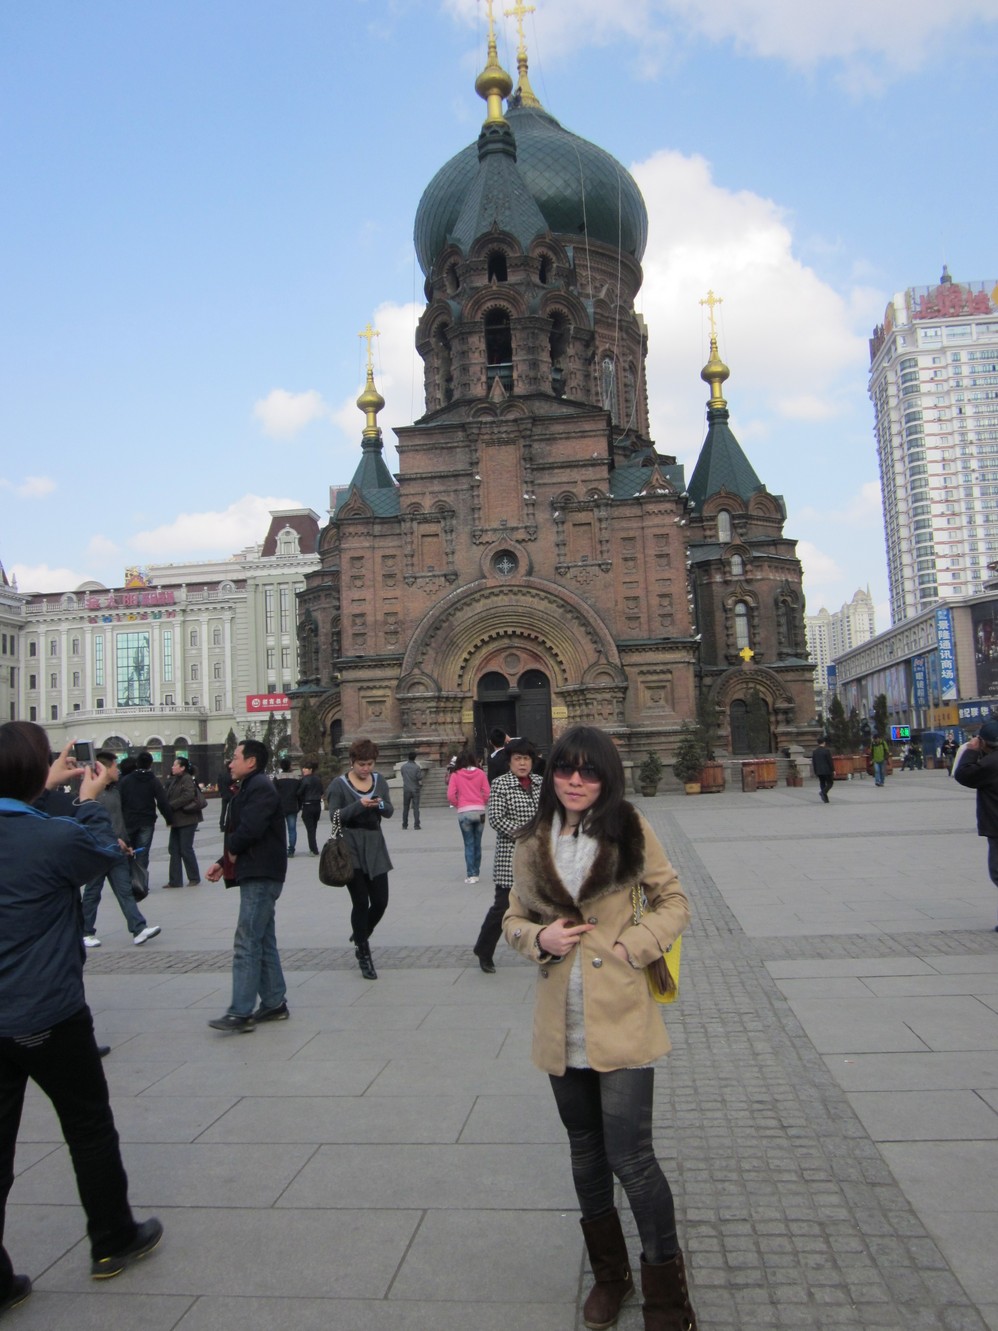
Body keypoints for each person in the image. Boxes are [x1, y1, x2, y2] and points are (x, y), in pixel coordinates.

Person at [503, 725, 696, 1331]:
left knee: (632, 1158)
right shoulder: (532, 841)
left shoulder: (629, 828)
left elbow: (674, 902)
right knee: (586, 1155)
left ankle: (668, 1295)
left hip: (621, 1019)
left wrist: (633, 946)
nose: (575, 780)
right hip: (561, 1026)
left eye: (589, 771)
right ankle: (610, 1277)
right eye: (565, 769)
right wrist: (540, 937)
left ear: (606, 776)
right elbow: (512, 919)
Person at [0, 723, 163, 1307]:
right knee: (88, 1127)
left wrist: (39, 789)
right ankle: (112, 1240)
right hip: (50, 1012)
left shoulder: (36, 827)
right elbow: (102, 853)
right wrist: (87, 799)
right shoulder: (53, 837)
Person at [205, 739, 289, 1031]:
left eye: (235, 757)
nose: (230, 763)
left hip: (261, 873)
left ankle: (240, 1012)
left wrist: (232, 850)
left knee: (247, 940)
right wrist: (223, 861)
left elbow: (250, 829)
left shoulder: (259, 787)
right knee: (262, 938)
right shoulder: (252, 786)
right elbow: (248, 830)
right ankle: (274, 1002)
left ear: (251, 762)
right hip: (258, 869)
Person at [325, 739, 394, 980]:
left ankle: (361, 932)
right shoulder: (339, 785)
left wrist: (379, 804)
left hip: (375, 846)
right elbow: (334, 817)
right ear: (352, 762)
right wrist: (358, 805)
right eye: (362, 764)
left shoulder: (379, 781)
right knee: (361, 902)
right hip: (350, 847)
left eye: (370, 764)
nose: (366, 769)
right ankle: (363, 953)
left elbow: (389, 811)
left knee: (381, 902)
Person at [473, 736, 541, 974]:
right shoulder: (501, 784)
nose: (522, 763)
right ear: (509, 761)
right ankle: (484, 949)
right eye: (518, 759)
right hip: (511, 856)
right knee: (502, 907)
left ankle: (546, 948)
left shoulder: (541, 783)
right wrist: (525, 833)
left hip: (539, 857)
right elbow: (496, 819)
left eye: (526, 759)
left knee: (544, 905)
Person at [81, 749, 162, 948]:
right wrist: (113, 839)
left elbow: (119, 822)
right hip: (98, 851)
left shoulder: (115, 791)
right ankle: (85, 932)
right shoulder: (92, 794)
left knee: (125, 890)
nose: (118, 770)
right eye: (115, 766)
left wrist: (126, 842)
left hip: (117, 851)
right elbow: (89, 824)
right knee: (93, 892)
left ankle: (138, 928)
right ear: (104, 768)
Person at [953, 718, 998, 932]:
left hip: (996, 826)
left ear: (984, 742)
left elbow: (964, 774)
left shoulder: (990, 764)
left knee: (997, 871)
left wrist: (971, 750)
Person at [117, 750, 172, 898]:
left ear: (137, 763)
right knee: (142, 853)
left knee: (127, 852)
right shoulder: (153, 780)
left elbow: (118, 800)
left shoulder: (126, 780)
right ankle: (141, 884)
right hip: (146, 822)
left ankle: (127, 883)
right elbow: (162, 801)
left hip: (128, 821)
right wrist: (169, 819)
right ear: (150, 764)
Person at [447, 748, 490, 883]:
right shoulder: (481, 773)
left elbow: (450, 795)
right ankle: (476, 871)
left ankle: (471, 874)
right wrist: (482, 802)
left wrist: (459, 804)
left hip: (464, 811)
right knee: (478, 843)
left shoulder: (455, 775)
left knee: (469, 843)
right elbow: (487, 793)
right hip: (480, 811)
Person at [162, 756, 203, 887]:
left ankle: (194, 877)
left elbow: (188, 795)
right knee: (173, 849)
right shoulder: (175, 779)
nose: (172, 767)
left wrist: (172, 805)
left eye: (175, 765)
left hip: (187, 819)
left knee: (185, 849)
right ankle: (175, 880)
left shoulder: (187, 779)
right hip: (176, 820)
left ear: (182, 768)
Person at [273, 758, 301, 857]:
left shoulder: (277, 778)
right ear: (290, 766)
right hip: (292, 806)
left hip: (280, 807)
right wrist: (299, 806)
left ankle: (281, 848)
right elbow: (299, 793)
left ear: (281, 767)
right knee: (292, 829)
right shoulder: (297, 778)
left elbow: (274, 793)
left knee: (280, 829)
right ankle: (291, 849)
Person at [298, 761, 323, 856]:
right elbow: (321, 791)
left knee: (310, 829)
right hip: (317, 805)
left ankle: (313, 849)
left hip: (308, 805)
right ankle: (314, 848)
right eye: (303, 768)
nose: (303, 770)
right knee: (313, 827)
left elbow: (299, 792)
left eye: (306, 768)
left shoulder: (304, 780)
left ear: (311, 770)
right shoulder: (318, 779)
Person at [399, 750, 423, 830]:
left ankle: (404, 824)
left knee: (406, 807)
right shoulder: (417, 767)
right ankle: (416, 825)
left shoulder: (403, 767)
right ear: (415, 758)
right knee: (416, 808)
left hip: (406, 789)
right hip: (415, 789)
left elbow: (402, 775)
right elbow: (419, 777)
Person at [811, 736, 834, 803]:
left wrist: (815, 771)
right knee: (830, 783)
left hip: (819, 771)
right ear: (824, 742)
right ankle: (823, 792)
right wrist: (833, 770)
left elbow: (814, 762)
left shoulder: (815, 752)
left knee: (822, 783)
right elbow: (829, 761)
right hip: (827, 770)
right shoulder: (826, 751)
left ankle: (825, 799)